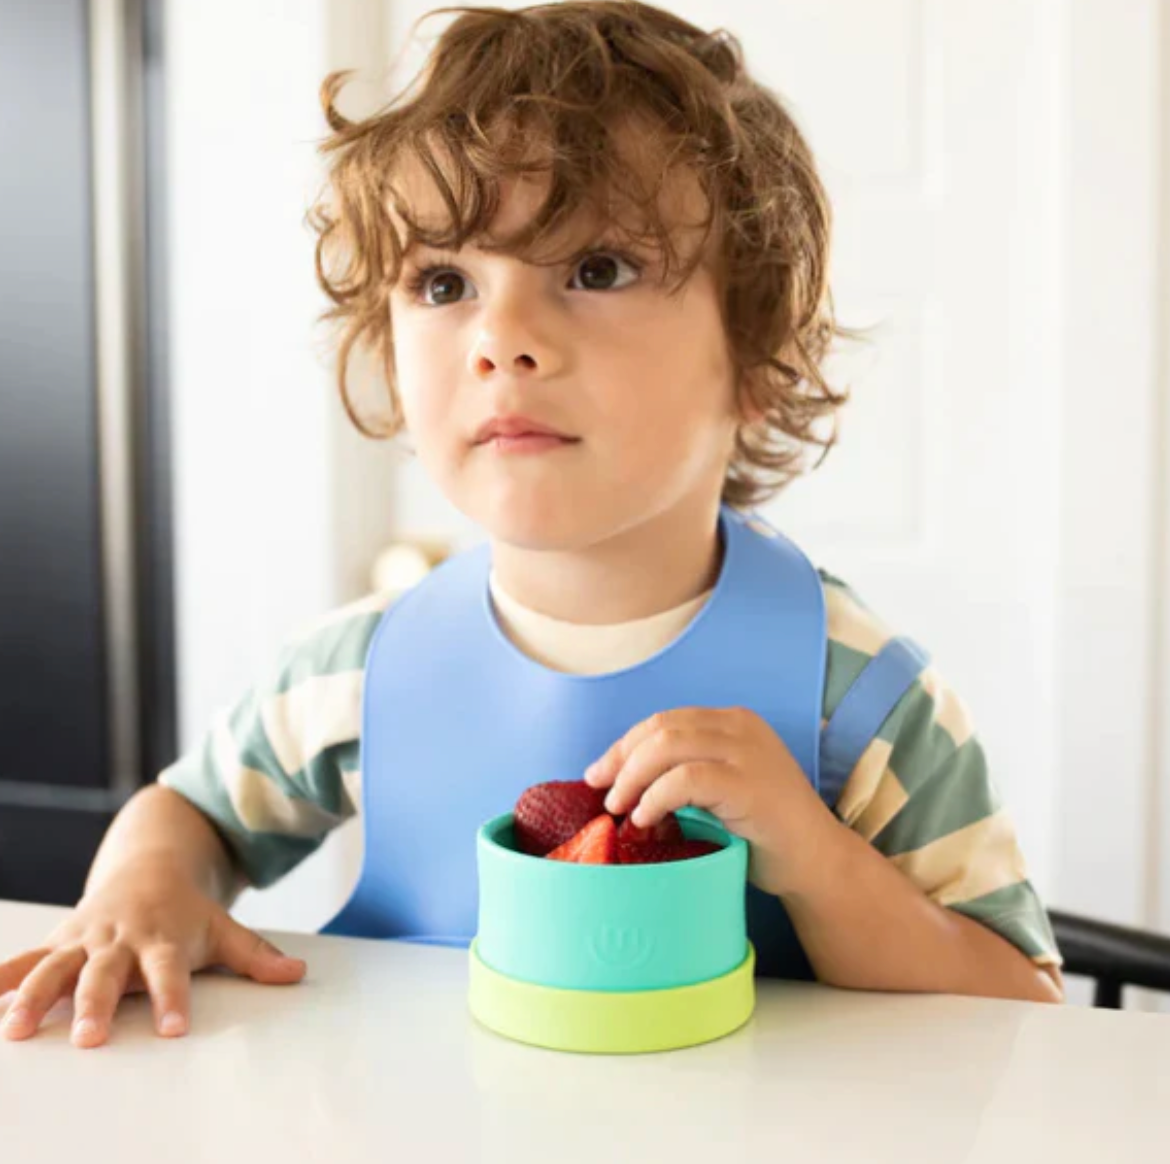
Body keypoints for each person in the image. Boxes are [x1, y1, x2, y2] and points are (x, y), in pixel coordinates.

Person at [0, 0, 1063, 1051]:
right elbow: (187, 818)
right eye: (445, 282)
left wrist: (817, 858)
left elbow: (1022, 1011)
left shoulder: (864, 699)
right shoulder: (353, 675)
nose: (500, 339)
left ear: (756, 361)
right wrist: (137, 893)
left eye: (595, 270)